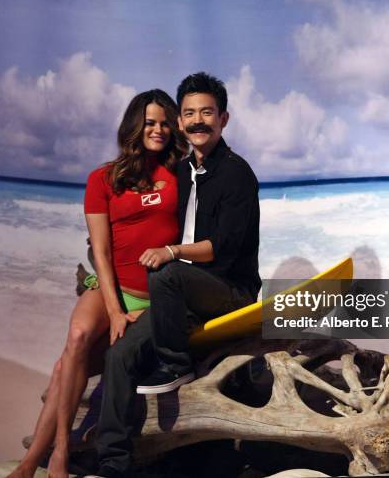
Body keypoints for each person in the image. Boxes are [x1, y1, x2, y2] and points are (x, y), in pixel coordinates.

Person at [6, 89, 187, 478]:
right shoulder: (102, 179)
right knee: (77, 336)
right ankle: (54, 453)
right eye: (150, 122)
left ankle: (41, 459)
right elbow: (101, 253)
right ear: (134, 126)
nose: (157, 129)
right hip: (113, 289)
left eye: (164, 122)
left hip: (156, 297)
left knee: (61, 370)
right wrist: (114, 311)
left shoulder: (179, 175)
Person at [90, 72, 260, 478]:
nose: (198, 121)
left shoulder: (238, 174)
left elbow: (222, 248)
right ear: (181, 122)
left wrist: (171, 252)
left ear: (224, 118)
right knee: (119, 354)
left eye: (207, 112)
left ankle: (174, 365)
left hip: (228, 292)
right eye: (189, 114)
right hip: (178, 300)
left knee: (168, 274)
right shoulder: (181, 172)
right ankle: (111, 462)